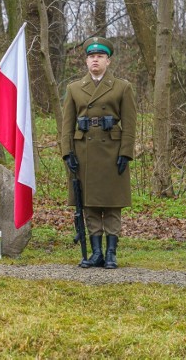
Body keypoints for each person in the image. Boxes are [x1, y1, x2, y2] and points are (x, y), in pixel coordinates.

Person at [61, 37, 137, 269]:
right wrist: (67, 153)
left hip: (112, 151)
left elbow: (130, 123)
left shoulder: (123, 87)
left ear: (108, 61)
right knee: (90, 204)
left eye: (100, 56)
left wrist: (126, 152)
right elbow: (67, 125)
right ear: (86, 61)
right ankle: (96, 254)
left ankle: (111, 253)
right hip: (84, 151)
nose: (95, 60)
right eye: (92, 56)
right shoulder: (74, 88)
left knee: (112, 204)